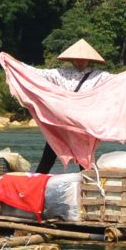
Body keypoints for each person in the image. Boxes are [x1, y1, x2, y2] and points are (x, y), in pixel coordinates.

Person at [34, 39, 111, 174]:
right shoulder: (61, 73)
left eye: (83, 59)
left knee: (84, 159)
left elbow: (119, 80)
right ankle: (34, 186)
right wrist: (14, 64)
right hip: (62, 123)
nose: (80, 61)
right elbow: (39, 73)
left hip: (82, 124)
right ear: (72, 59)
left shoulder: (98, 76)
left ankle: (88, 188)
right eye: (77, 58)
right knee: (48, 157)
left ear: (89, 60)